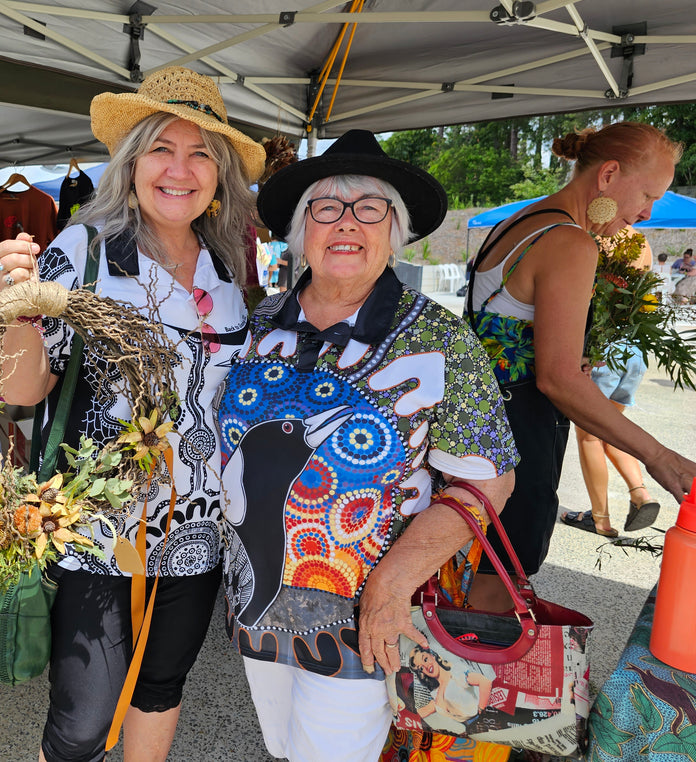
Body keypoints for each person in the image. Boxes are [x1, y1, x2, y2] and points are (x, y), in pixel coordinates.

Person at [0, 66, 264, 762]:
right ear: (132, 162)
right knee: (82, 722)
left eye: (202, 152)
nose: (181, 169)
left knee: (162, 686)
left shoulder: (225, 269)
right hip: (98, 534)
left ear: (221, 173)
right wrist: (17, 302)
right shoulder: (83, 253)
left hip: (199, 534)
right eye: (162, 150)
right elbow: (20, 394)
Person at [217, 129, 517, 762]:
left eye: (369, 207)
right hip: (256, 603)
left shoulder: (439, 339)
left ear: (394, 229)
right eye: (326, 207)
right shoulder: (262, 319)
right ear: (302, 231)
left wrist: (390, 587)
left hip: (360, 620)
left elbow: (489, 480)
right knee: (282, 747)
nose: (346, 222)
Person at [465, 122, 695, 611]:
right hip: (515, 443)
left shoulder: (519, 222)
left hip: (477, 430)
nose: (647, 212)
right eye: (648, 194)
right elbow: (558, 377)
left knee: (480, 572)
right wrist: (660, 457)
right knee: (496, 592)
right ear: (609, 175)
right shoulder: (570, 241)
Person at [563, 226, 659, 537]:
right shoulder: (640, 241)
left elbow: (588, 299)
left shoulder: (595, 237)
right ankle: (640, 492)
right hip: (633, 350)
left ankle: (600, 519)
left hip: (604, 351)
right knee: (611, 432)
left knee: (588, 436)